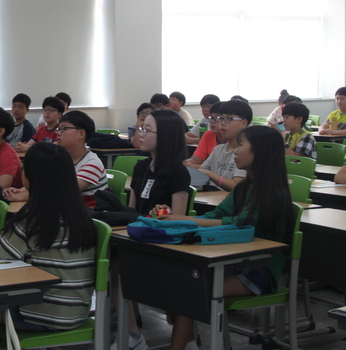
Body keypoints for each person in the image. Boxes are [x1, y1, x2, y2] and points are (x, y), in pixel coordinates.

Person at [154, 125, 295, 350]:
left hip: (258, 271)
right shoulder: (243, 188)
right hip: (230, 262)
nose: (235, 151)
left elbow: (239, 225)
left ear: (260, 151)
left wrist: (185, 219)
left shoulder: (274, 193)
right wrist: (176, 217)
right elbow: (215, 215)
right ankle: (189, 343)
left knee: (187, 292)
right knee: (175, 286)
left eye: (241, 145)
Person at [0, 142, 97, 331]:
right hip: (76, 313)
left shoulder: (35, 217)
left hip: (38, 315)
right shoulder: (80, 214)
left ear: (30, 176)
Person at [111, 109, 190, 350]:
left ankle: (133, 337)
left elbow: (180, 219)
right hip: (138, 236)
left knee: (117, 270)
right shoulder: (141, 167)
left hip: (162, 243)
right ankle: (133, 336)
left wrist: (163, 214)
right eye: (140, 129)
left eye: (147, 130)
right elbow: (131, 211)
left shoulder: (177, 171)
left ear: (166, 136)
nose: (140, 134)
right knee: (112, 268)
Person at [4, 111, 107, 207]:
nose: (58, 133)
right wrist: (19, 191)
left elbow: (64, 191)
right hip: (62, 209)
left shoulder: (92, 163)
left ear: (81, 134)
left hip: (88, 217)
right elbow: (45, 183)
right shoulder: (59, 157)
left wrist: (25, 196)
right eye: (58, 129)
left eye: (64, 129)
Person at [199, 99, 252, 191]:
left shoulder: (246, 152)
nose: (222, 123)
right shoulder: (218, 149)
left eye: (229, 119)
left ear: (243, 123)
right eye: (221, 118)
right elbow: (200, 173)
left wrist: (208, 173)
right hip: (212, 199)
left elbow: (236, 186)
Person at [183, 101, 225, 168]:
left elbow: (220, 167)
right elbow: (196, 159)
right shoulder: (208, 134)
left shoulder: (234, 139)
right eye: (211, 117)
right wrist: (186, 163)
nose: (212, 121)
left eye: (217, 118)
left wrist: (193, 166)